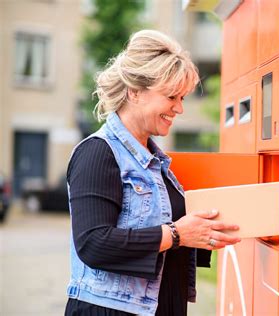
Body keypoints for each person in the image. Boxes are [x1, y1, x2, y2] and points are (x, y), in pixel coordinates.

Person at [64, 30, 241, 316]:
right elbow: (93, 244)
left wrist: (204, 233)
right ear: (135, 92)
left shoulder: (158, 162)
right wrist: (177, 234)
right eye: (172, 96)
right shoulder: (97, 153)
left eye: (182, 97)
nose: (180, 108)